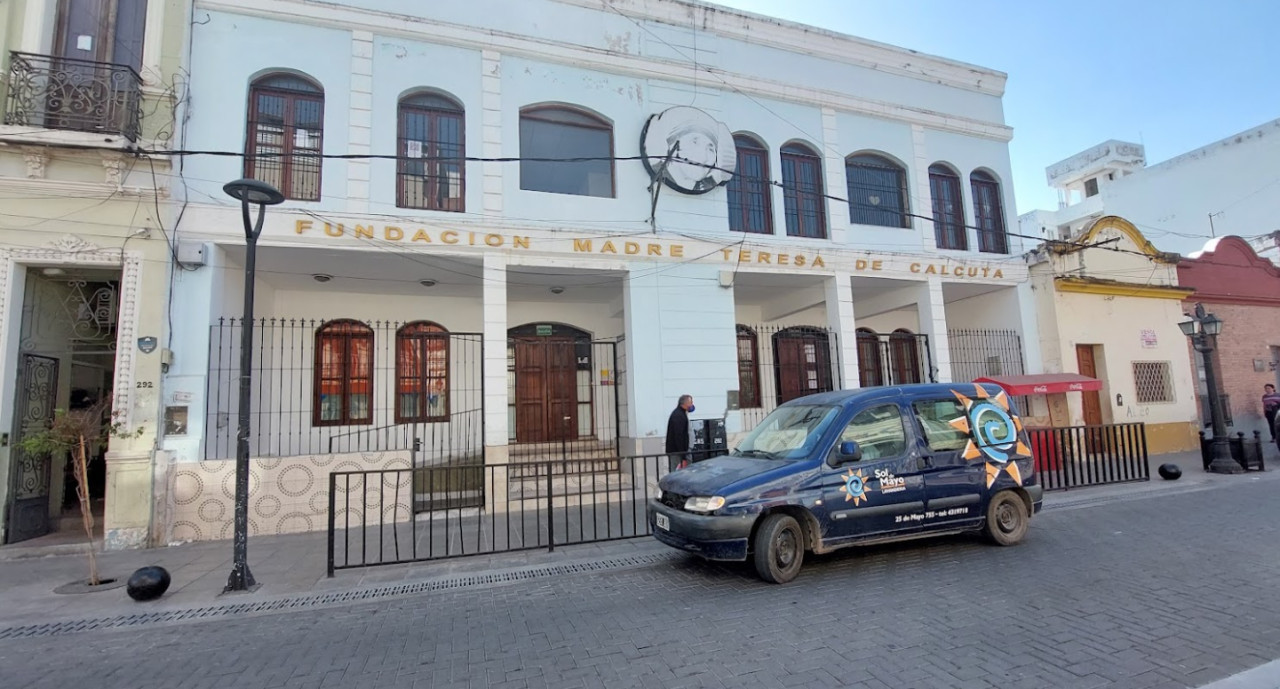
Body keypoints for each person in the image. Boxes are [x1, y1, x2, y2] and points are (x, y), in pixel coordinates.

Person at [665, 394, 695, 471]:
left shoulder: (681, 414)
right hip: (678, 452)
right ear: (685, 403)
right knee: (678, 472)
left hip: (680, 451)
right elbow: (679, 436)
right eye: (690, 402)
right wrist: (683, 456)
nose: (692, 405)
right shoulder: (678, 415)